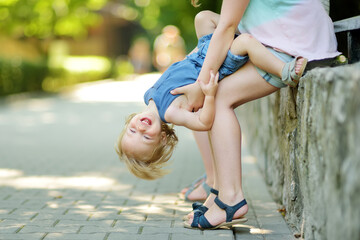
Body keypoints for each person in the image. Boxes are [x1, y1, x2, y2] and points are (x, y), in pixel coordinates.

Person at [178, 0, 340, 229]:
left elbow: (226, 27)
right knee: (205, 20)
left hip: (297, 47)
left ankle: (231, 199)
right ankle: (218, 186)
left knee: (216, 98)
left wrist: (200, 84)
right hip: (288, 35)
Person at [115, 9, 308, 181]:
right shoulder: (171, 113)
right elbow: (203, 123)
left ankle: (254, 29)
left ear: (127, 124)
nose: (141, 129)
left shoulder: (148, 96)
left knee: (203, 18)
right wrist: (208, 96)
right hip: (219, 64)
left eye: (133, 132)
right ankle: (285, 71)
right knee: (245, 43)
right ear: (163, 138)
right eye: (146, 138)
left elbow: (179, 70)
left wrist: (196, 52)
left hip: (201, 55)